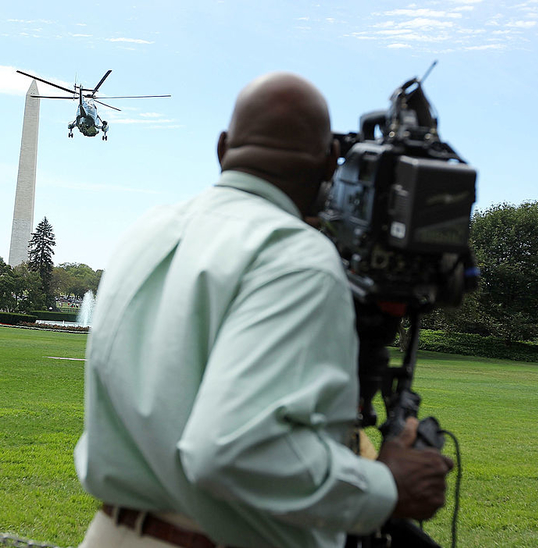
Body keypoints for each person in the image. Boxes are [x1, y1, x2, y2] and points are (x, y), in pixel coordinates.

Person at [74, 72, 453, 548]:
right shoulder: (296, 255)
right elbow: (230, 451)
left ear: (222, 148)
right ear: (330, 163)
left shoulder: (148, 230)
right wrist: (389, 487)